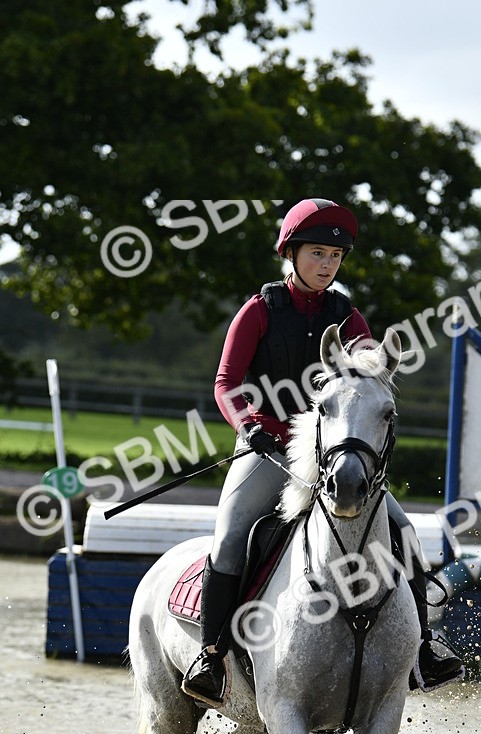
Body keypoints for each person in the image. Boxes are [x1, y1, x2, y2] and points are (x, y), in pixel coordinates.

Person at [181, 196, 464, 707]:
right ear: (291, 254)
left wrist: (373, 364)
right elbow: (226, 383)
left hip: (333, 454)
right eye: (317, 253)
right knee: (230, 537)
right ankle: (212, 655)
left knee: (403, 531)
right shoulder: (259, 311)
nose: (327, 264)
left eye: (335, 257)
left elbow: (366, 376)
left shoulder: (347, 317)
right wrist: (250, 425)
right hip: (269, 449)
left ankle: (424, 648)